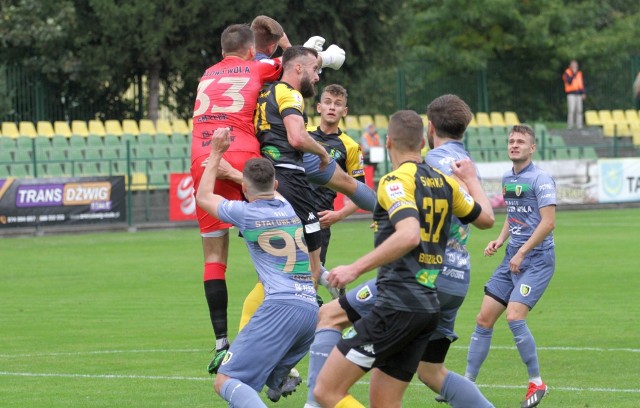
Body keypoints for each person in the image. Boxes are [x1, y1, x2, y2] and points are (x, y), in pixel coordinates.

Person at [304, 96, 496, 408]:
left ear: (389, 141)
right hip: (428, 306)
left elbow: (408, 235)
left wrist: (354, 268)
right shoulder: (446, 181)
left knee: (326, 392)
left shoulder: (394, 180)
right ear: (422, 141)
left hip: (397, 301)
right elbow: (486, 219)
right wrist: (472, 181)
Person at [195, 127, 319, 408]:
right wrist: (236, 175)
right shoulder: (287, 206)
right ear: (275, 185)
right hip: (310, 311)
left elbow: (203, 197)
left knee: (226, 381)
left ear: (245, 190)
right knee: (248, 387)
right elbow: (259, 187)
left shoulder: (246, 213)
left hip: (280, 308)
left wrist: (216, 153)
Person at [190, 23, 284, 375]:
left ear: (221, 52)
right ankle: (283, 324)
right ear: (249, 51)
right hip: (242, 151)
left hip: (204, 157)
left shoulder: (207, 73)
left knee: (214, 257)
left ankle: (221, 344)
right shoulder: (256, 65)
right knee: (272, 239)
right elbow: (291, 64)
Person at [464, 124, 556, 408]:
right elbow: (514, 215)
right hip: (512, 257)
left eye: (521, 141)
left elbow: (548, 222)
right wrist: (501, 240)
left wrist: (522, 252)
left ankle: (537, 382)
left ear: (532, 148)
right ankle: (466, 385)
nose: (514, 144)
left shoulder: (541, 179)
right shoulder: (507, 177)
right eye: (511, 141)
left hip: (537, 260)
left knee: (514, 316)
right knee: (483, 318)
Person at [308, 84, 365, 264]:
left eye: (338, 104)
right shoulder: (302, 136)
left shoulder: (351, 147)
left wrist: (339, 215)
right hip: (292, 213)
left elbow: (361, 193)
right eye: (328, 102)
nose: (332, 107)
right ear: (319, 107)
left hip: (321, 219)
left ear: (344, 111)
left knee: (312, 277)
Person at [562, 60, 586, 129]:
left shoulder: (579, 73)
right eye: (573, 65)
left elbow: (581, 84)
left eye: (575, 66)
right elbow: (569, 81)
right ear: (570, 66)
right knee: (571, 110)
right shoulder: (567, 73)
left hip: (578, 94)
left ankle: (579, 125)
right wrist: (573, 74)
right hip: (571, 94)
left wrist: (583, 93)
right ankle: (570, 125)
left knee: (579, 110)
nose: (574, 67)